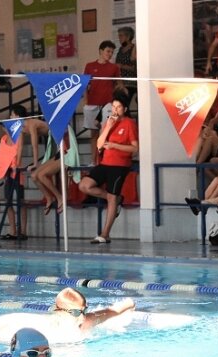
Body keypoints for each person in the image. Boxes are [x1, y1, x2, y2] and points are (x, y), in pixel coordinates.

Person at [0, 288, 136, 344]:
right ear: (59, 311)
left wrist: (130, 303)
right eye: (76, 313)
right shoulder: (45, 328)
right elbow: (8, 321)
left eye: (84, 310)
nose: (82, 317)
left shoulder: (84, 323)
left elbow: (112, 311)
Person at [80, 91, 138, 244]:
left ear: (124, 109)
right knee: (84, 185)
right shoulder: (108, 122)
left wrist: (115, 145)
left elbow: (135, 148)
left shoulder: (129, 123)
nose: (115, 110)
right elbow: (99, 145)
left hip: (120, 165)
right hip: (105, 163)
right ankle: (115, 199)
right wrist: (107, 128)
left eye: (118, 107)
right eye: (113, 107)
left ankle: (105, 234)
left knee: (112, 197)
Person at [83, 41, 123, 165]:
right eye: (108, 51)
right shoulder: (89, 66)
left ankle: (104, 161)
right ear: (101, 51)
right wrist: (86, 102)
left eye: (112, 52)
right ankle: (93, 161)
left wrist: (121, 89)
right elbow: (84, 84)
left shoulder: (114, 67)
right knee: (94, 134)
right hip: (92, 104)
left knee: (106, 132)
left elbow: (119, 84)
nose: (110, 54)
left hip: (108, 104)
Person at [32, 129, 81, 215]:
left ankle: (59, 197)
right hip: (58, 154)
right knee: (34, 175)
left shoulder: (65, 126)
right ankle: (49, 198)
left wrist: (70, 161)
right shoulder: (52, 127)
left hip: (66, 155)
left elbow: (71, 146)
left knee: (41, 175)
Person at [0, 105, 27, 241]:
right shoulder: (4, 138)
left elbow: (19, 149)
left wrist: (18, 165)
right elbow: (1, 155)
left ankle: (23, 231)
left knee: (20, 201)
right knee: (8, 201)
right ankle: (13, 231)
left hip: (16, 171)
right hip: (7, 172)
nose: (10, 117)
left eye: (12, 115)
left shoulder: (19, 133)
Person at [115, 26, 137, 100]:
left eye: (121, 36)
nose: (119, 38)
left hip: (131, 82)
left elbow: (136, 68)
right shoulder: (120, 49)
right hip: (120, 81)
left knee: (121, 97)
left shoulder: (134, 49)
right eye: (118, 36)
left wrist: (122, 66)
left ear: (128, 37)